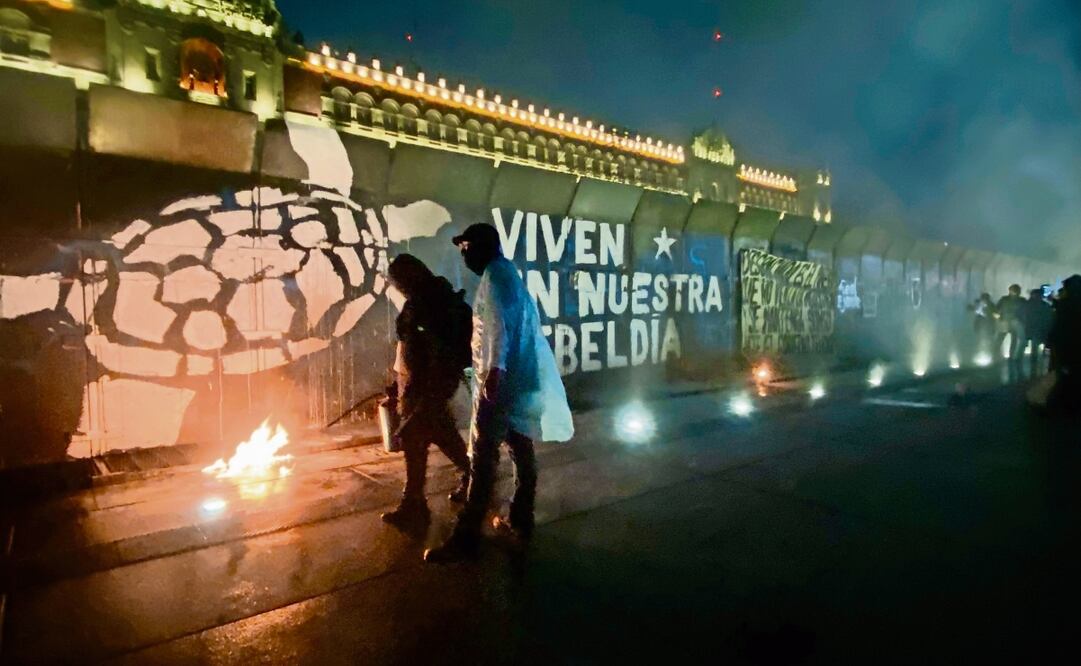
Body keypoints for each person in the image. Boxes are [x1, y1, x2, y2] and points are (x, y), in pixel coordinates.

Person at [424, 223, 574, 563]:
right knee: (521, 448)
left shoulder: (495, 279)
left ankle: (466, 536)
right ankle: (521, 519)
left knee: (483, 458)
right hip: (514, 381)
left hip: (500, 384)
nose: (462, 256)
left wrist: (493, 375)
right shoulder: (507, 275)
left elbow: (498, 331)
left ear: (479, 247)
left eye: (465, 248)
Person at [380, 254, 472, 531]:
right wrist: (398, 386)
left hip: (429, 385)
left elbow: (439, 354)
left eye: (397, 281)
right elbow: (407, 346)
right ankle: (472, 475)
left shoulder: (434, 303)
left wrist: (429, 394)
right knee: (438, 433)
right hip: (416, 384)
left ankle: (414, 505)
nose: (396, 287)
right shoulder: (419, 301)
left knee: (415, 438)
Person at [1047, 275, 1081, 411]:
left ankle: (1062, 402)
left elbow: (1059, 325)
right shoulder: (1072, 302)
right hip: (1075, 344)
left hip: (1065, 344)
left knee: (1063, 371)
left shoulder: (1066, 304)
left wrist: (1051, 340)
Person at [1023, 288, 1053, 376]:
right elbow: (1049, 316)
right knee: (1038, 345)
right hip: (1039, 328)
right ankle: (1037, 364)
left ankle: (1034, 365)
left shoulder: (1028, 304)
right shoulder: (1044, 305)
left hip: (1035, 328)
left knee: (1035, 347)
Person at [996, 284, 1026, 366]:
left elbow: (997, 309)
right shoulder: (1021, 300)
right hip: (1009, 322)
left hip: (1009, 322)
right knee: (1007, 339)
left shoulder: (1005, 299)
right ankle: (1004, 356)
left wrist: (999, 318)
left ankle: (1005, 356)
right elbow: (996, 310)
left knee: (1010, 340)